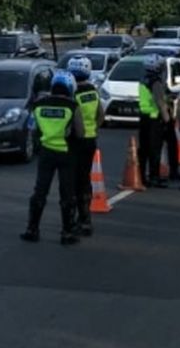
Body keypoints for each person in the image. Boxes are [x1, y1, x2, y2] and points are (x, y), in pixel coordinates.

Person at [21, 70, 85, 245]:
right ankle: (67, 233)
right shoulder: (73, 106)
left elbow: (31, 127)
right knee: (67, 194)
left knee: (40, 191)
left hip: (46, 153)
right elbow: (80, 133)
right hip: (66, 153)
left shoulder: (39, 104)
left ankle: (32, 229)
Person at [68, 55, 104, 237]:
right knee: (85, 179)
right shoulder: (93, 91)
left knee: (73, 182)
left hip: (75, 141)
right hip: (90, 140)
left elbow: (73, 121)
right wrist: (94, 129)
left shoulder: (72, 94)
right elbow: (100, 115)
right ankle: (86, 220)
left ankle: (73, 220)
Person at [137, 55, 172, 189]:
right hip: (153, 119)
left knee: (144, 149)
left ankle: (142, 175)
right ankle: (154, 177)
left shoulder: (143, 80)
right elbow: (160, 102)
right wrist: (167, 119)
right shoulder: (155, 83)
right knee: (154, 150)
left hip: (144, 118)